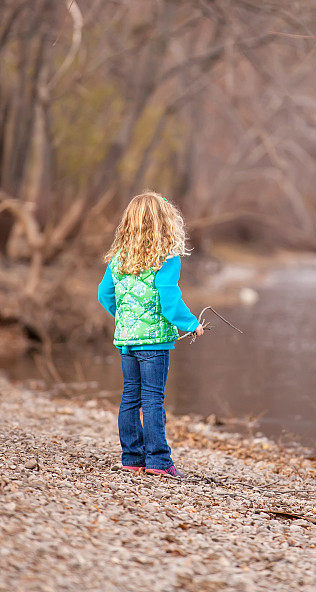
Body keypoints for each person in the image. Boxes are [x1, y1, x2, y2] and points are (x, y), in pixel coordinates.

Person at [97, 191, 206, 478]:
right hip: (154, 342)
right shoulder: (166, 258)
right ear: (166, 223)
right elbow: (169, 297)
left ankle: (132, 457)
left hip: (127, 340)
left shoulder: (119, 258)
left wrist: (125, 318)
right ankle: (158, 460)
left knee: (131, 396)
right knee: (153, 398)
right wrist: (192, 323)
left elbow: (104, 294)